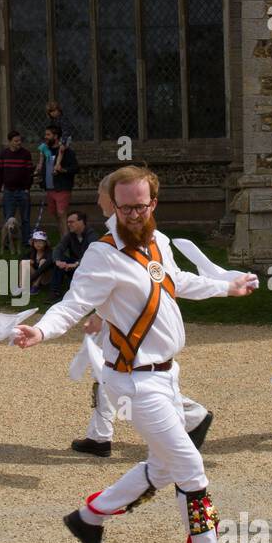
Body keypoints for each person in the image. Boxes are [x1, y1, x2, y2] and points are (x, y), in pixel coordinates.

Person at [13, 165, 258, 543]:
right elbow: (72, 305)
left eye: (139, 206)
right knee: (190, 468)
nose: (131, 213)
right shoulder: (101, 255)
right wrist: (42, 331)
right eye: (124, 206)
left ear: (152, 204)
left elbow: (176, 282)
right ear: (113, 205)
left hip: (168, 375)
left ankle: (89, 517)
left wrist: (227, 288)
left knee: (164, 467)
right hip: (132, 381)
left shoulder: (158, 241)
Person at [71, 172, 215, 459]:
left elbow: (144, 283)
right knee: (107, 371)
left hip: (130, 324)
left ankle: (190, 417)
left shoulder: (142, 239)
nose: (97, 201)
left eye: (99, 195)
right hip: (117, 319)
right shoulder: (113, 238)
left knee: (118, 371)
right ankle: (100, 435)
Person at [37, 125, 79, 239]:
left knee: (62, 214)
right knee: (56, 215)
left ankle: (67, 243)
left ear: (55, 136)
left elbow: (75, 168)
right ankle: (63, 239)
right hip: (50, 188)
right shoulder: (46, 151)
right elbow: (45, 166)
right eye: (45, 134)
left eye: (48, 135)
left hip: (62, 188)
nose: (45, 137)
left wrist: (63, 170)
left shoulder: (66, 151)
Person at [0, 131, 34, 247]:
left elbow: (29, 172)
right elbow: (0, 173)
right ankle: (8, 241)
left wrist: (27, 188)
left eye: (20, 141)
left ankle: (26, 240)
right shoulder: (4, 154)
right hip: (8, 191)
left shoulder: (26, 154)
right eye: (16, 141)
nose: (19, 143)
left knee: (25, 218)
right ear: (10, 142)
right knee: (8, 218)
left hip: (22, 191)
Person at [51, 209, 96, 298]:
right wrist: (57, 261)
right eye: (68, 222)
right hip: (73, 266)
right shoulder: (70, 235)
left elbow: (92, 255)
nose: (69, 224)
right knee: (57, 259)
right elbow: (59, 248)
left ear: (81, 222)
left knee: (52, 260)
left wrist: (76, 264)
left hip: (88, 268)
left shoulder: (91, 235)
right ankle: (54, 292)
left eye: (71, 222)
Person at [27, 229, 54, 294]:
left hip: (46, 277)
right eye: (35, 242)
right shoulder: (32, 252)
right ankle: (22, 285)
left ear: (45, 243)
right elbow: (21, 259)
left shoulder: (49, 253)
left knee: (43, 261)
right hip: (35, 275)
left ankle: (35, 286)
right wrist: (29, 261)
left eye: (40, 242)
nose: (38, 244)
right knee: (25, 262)